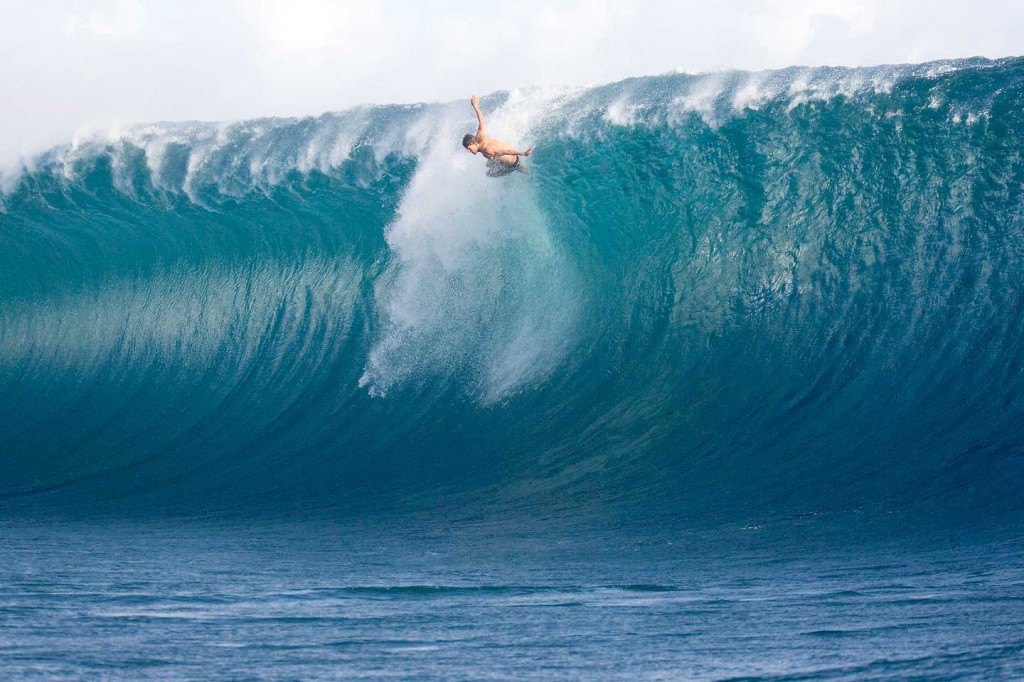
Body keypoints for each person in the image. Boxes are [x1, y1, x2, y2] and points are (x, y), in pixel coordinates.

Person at [462, 95, 534, 177]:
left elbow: (505, 151)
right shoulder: (480, 136)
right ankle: (520, 167)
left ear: (473, 143)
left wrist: (523, 153)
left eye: (469, 148)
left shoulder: (487, 151)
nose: (468, 151)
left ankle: (520, 169)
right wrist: (476, 106)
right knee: (488, 164)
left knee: (489, 174)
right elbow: (481, 120)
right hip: (505, 157)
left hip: (512, 164)